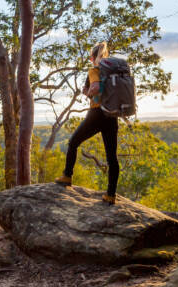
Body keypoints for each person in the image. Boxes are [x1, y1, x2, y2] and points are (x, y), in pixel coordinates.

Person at [55, 42, 119, 205]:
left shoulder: (94, 70)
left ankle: (67, 176)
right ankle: (111, 195)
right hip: (112, 116)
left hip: (97, 114)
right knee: (112, 157)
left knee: (73, 142)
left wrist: (89, 92)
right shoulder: (112, 72)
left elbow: (95, 88)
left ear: (92, 57)